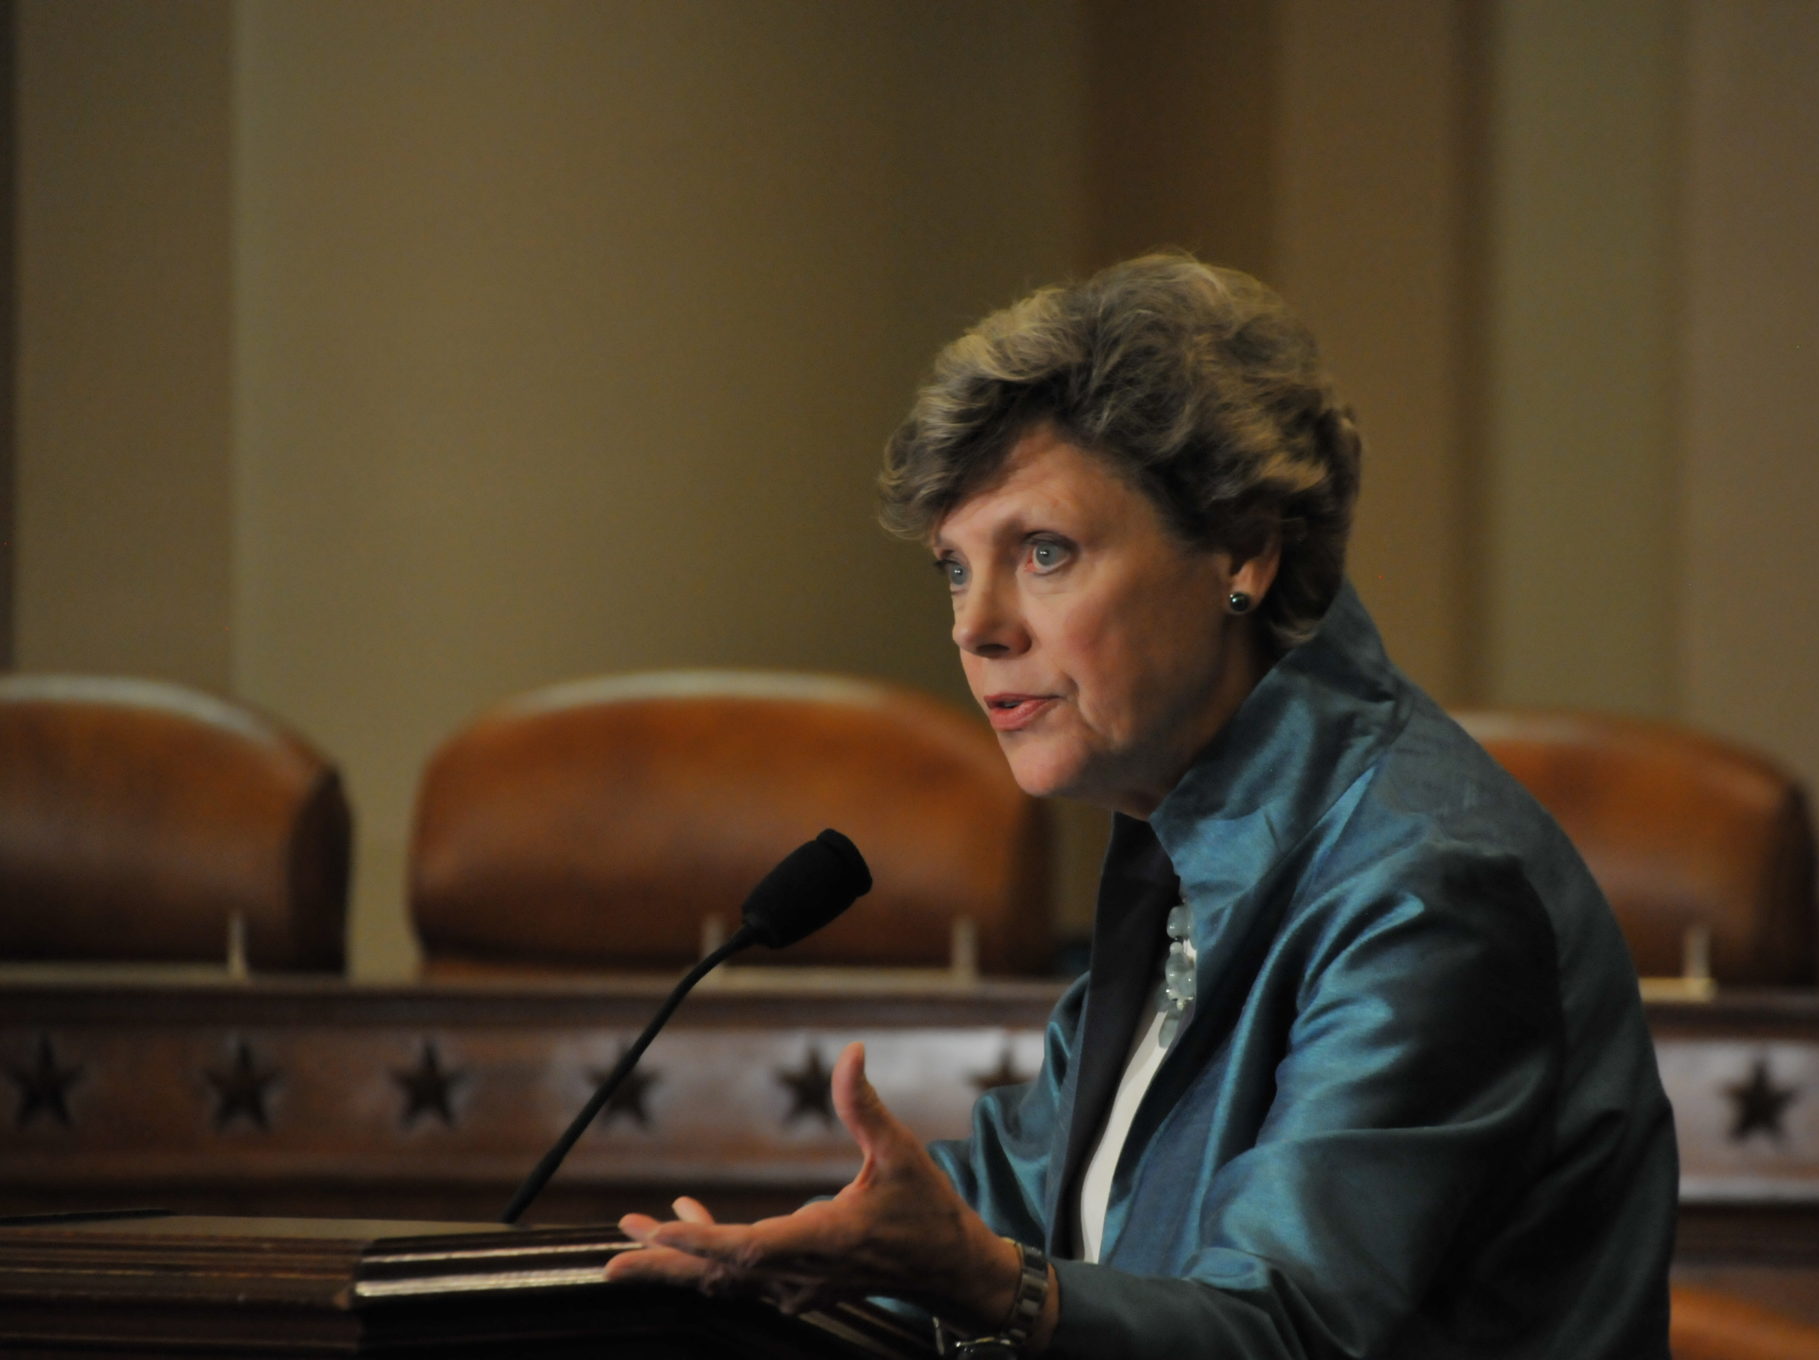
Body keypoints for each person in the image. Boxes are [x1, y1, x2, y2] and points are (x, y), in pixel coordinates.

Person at [607, 254, 1678, 1358]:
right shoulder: (1182, 835)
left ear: (1243, 549)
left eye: (1042, 552)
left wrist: (988, 1286)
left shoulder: (1422, 887)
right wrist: (775, 1274)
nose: (978, 627)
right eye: (953, 569)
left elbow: (1286, 1331)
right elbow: (1011, 1212)